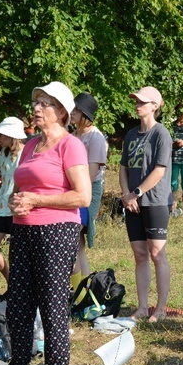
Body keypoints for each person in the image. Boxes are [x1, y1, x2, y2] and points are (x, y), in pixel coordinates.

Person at [6, 81, 90, 365]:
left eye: (44, 103)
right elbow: (25, 187)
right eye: (36, 102)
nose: (37, 108)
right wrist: (16, 202)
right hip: (23, 229)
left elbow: (81, 196)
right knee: (19, 303)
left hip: (56, 230)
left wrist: (38, 202)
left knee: (52, 303)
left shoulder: (71, 146)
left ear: (61, 112)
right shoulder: (29, 145)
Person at [119, 86, 173, 323]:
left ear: (155, 106)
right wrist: (126, 194)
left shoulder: (162, 134)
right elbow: (123, 168)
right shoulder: (130, 135)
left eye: (142, 101)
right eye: (136, 101)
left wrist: (136, 193)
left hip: (156, 201)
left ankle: (160, 308)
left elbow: (159, 171)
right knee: (139, 254)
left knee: (156, 253)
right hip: (133, 203)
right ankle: (142, 307)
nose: (137, 104)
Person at [70, 93, 108, 277]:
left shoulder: (96, 138)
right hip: (70, 189)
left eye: (77, 110)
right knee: (75, 243)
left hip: (88, 190)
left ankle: (82, 290)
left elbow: (91, 175)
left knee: (76, 240)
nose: (72, 112)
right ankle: (80, 288)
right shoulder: (72, 135)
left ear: (86, 114)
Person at [0, 116, 25, 283]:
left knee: (17, 252)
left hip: (17, 206)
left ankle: (20, 287)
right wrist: (1, 176)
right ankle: (11, 280)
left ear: (11, 136)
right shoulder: (4, 152)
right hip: (1, 206)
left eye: (2, 135)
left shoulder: (26, 153)